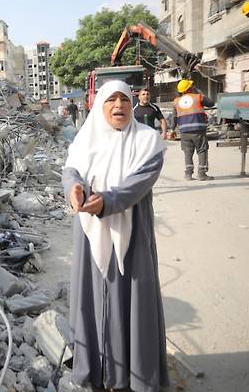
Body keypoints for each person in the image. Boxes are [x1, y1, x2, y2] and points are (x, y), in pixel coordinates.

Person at [63, 80, 168, 392]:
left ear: (133, 104)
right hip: (89, 235)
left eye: (125, 99)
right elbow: (71, 171)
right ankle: (96, 374)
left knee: (134, 300)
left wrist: (107, 202)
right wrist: (73, 188)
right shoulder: (85, 140)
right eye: (111, 100)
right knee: (91, 300)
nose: (119, 106)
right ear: (100, 106)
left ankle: (135, 379)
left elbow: (140, 182)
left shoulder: (148, 141)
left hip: (131, 234)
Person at [172, 79, 215, 181]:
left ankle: (188, 174)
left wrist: (172, 129)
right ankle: (201, 174)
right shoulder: (198, 97)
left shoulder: (176, 101)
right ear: (190, 88)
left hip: (184, 131)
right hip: (198, 130)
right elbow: (211, 103)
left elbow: (174, 117)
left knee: (187, 152)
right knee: (202, 150)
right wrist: (199, 93)